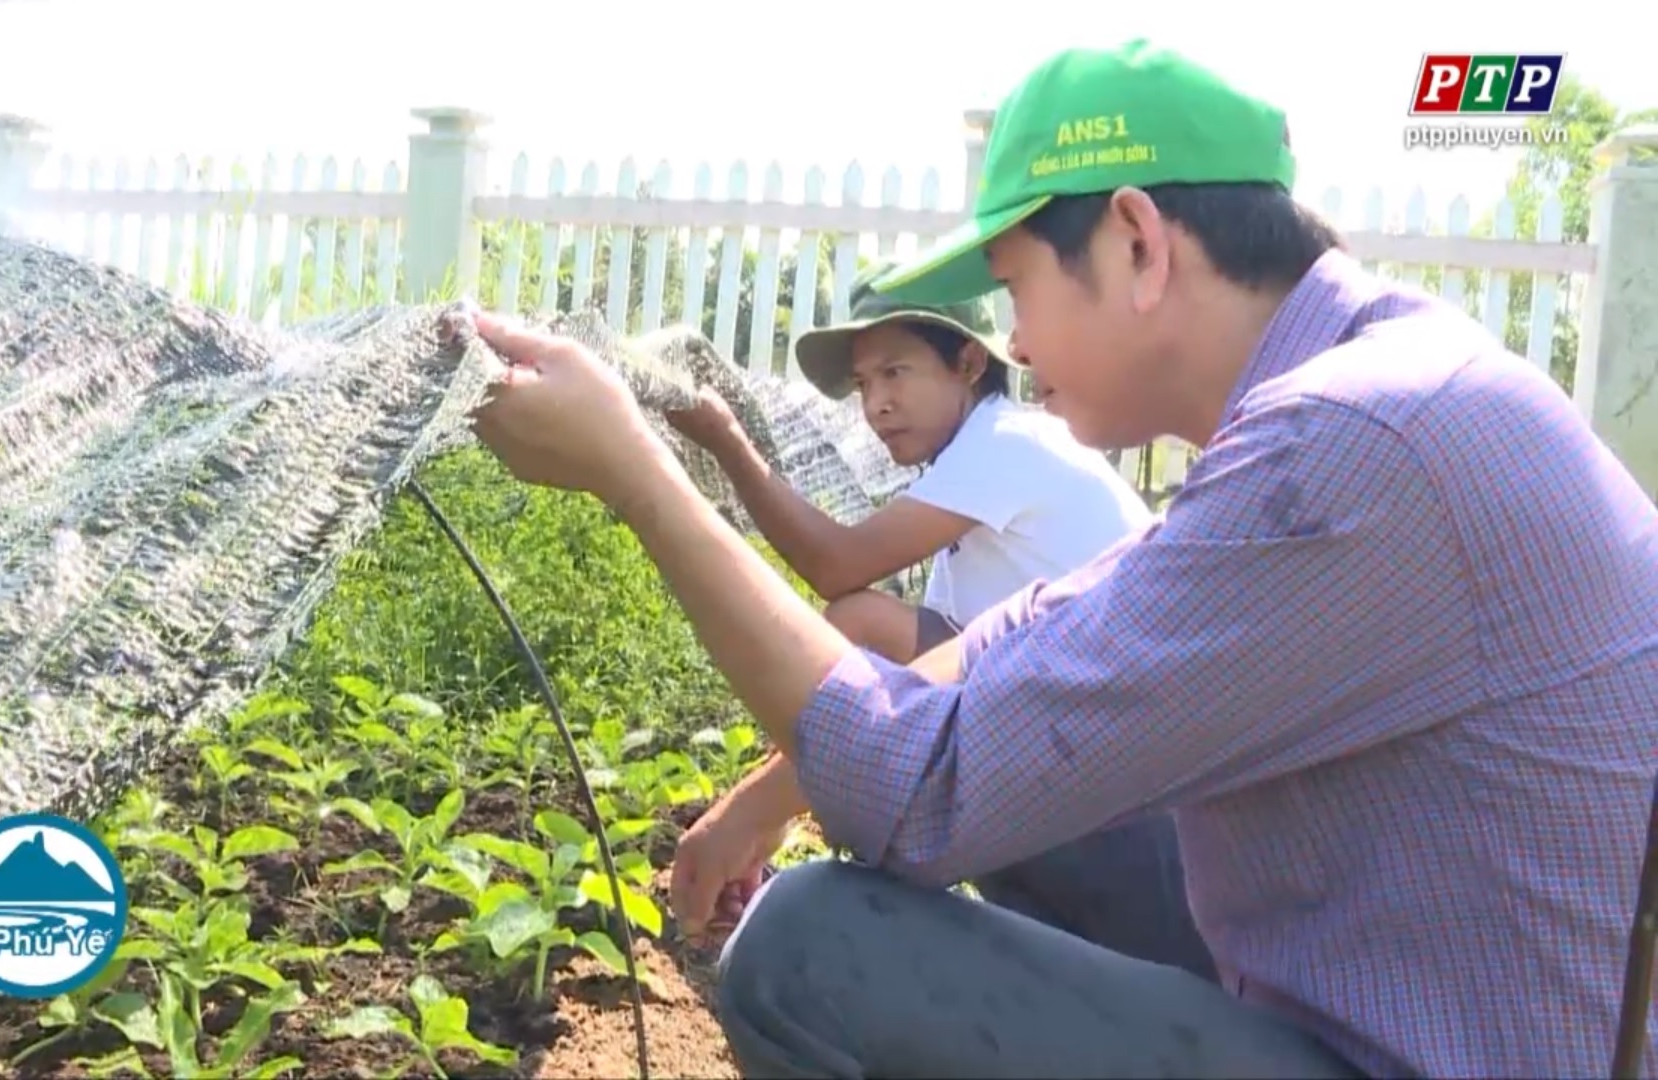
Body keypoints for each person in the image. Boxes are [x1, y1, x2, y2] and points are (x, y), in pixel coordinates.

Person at [460, 36, 1658, 1080]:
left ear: (1137, 240)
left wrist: (634, 471)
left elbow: (920, 793)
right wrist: (768, 797)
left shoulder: (1350, 443)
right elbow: (1028, 641)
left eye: (1018, 282)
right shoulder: (1379, 387)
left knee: (808, 948)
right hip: (1400, 984)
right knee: (1039, 789)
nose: (1017, 339)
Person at [662, 261, 1215, 980]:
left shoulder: (1010, 445)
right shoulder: (974, 487)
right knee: (867, 647)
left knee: (858, 629)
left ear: (968, 362)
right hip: (1092, 764)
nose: (877, 404)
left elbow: (837, 566)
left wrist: (728, 441)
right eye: (864, 385)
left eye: (896, 373)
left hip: (1143, 820)